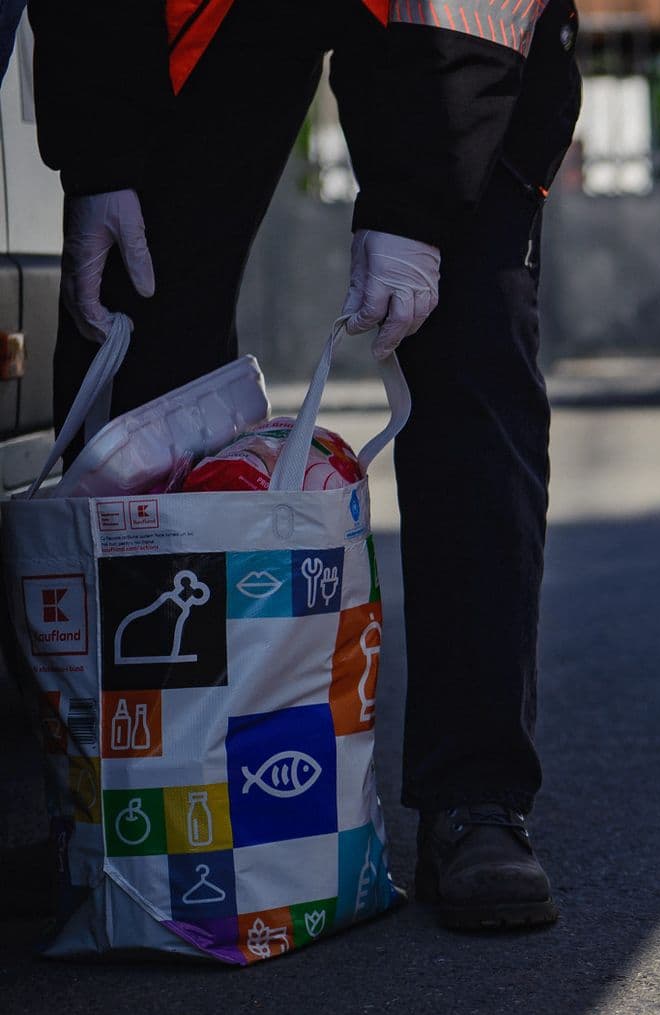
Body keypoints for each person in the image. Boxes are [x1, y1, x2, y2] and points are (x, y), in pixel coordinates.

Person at [33, 0, 581, 930]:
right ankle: (131, 804)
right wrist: (103, 157)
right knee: (139, 322)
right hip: (210, 14)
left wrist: (417, 202)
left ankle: (477, 797)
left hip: (455, 29)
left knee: (470, 343)